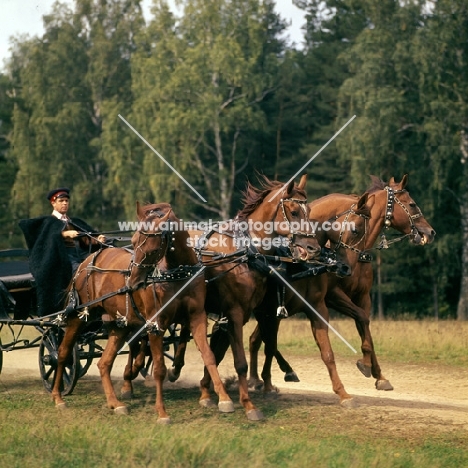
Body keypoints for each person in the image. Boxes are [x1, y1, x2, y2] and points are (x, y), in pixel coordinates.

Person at [19, 187, 107, 315]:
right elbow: (46, 240)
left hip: (79, 255)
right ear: (53, 203)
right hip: (60, 258)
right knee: (81, 272)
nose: (65, 203)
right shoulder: (49, 223)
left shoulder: (74, 221)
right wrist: (64, 234)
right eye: (61, 201)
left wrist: (97, 239)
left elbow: (87, 240)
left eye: (66, 200)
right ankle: (76, 303)